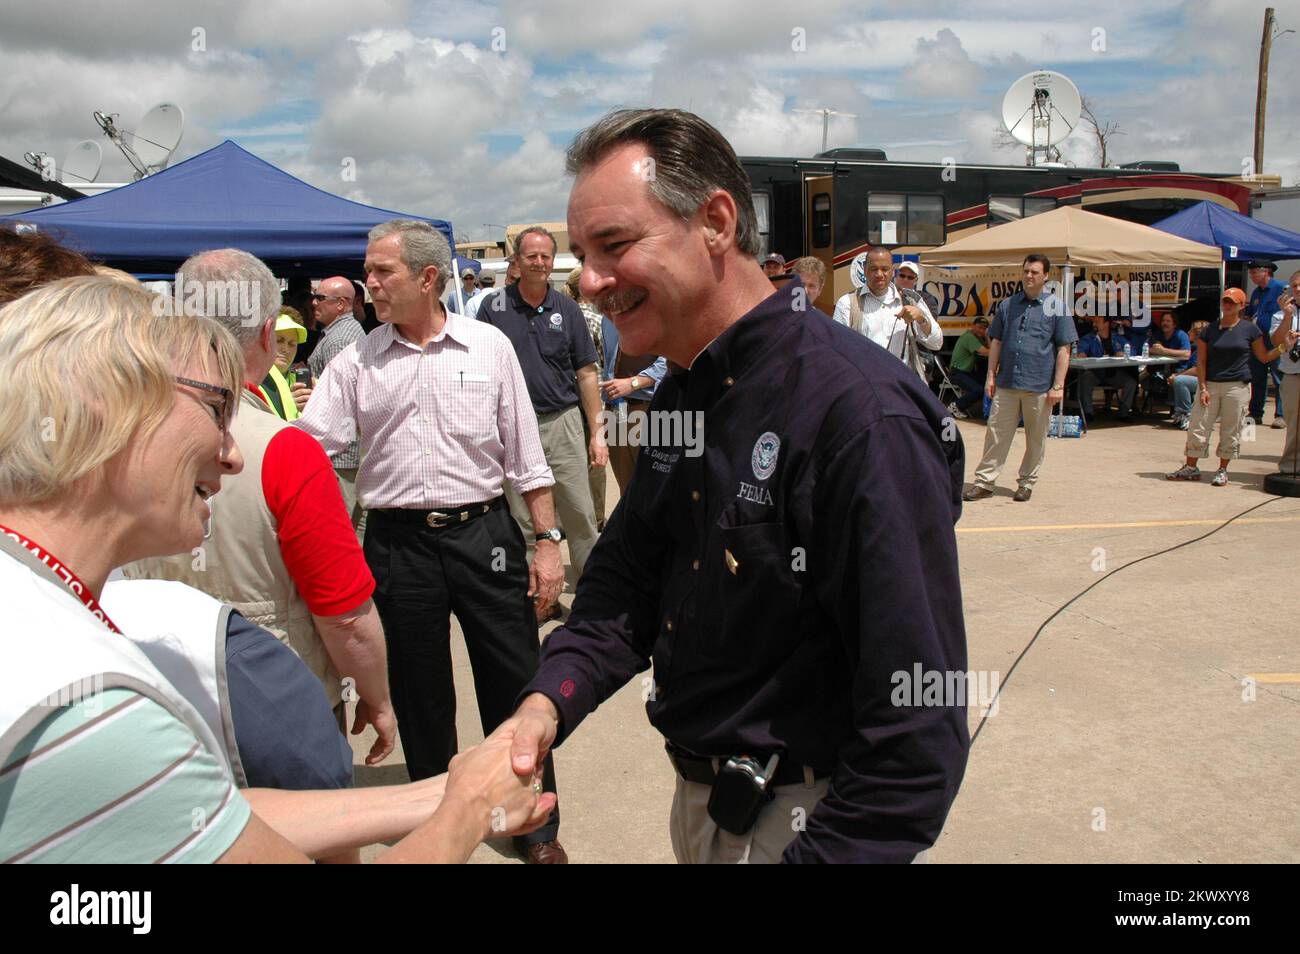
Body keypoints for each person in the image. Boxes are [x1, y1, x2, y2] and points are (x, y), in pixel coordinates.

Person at [499, 107, 968, 864]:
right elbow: (625, 586)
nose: (587, 281)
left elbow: (916, 739)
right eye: (581, 254)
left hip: (807, 826)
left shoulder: (860, 416)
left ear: (716, 221)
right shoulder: (686, 391)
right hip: (708, 810)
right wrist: (542, 705)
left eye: (614, 245)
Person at [0, 276, 553, 863]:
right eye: (217, 409)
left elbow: (210, 811)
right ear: (107, 410)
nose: (234, 450)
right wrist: (467, 811)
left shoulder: (53, 607)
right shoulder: (88, 706)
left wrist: (440, 795)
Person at [295, 218, 570, 864]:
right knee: (421, 700)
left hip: (486, 537)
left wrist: (549, 541)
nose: (370, 283)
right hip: (397, 546)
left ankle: (535, 829)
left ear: (427, 278)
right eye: (368, 272)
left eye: (381, 272)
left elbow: (527, 458)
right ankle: (440, 835)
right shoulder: (357, 357)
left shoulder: (489, 348)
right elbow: (308, 447)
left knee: (514, 685)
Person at [124, 250, 398, 774]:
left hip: (153, 695)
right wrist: (377, 696)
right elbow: (344, 613)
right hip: (277, 703)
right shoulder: (285, 449)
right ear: (269, 332)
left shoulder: (114, 426)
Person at [477, 226, 606, 582]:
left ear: (553, 261)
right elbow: (478, 371)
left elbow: (586, 373)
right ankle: (536, 593)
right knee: (522, 519)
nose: (538, 262)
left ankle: (591, 593)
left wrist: (597, 433)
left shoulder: (567, 308)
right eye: (531, 255)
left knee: (580, 513)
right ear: (516, 260)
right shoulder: (494, 307)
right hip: (513, 428)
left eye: (545, 256)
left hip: (562, 423)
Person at [963, 254, 1075, 503]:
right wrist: (990, 376)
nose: (1029, 276)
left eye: (1035, 272)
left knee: (1035, 439)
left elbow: (1064, 350)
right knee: (996, 434)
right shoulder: (1008, 305)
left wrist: (1058, 385)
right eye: (1026, 271)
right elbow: (997, 343)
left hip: (1039, 386)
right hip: (1007, 382)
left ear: (1046, 276)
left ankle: (1026, 483)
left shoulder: (1057, 307)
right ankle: (984, 482)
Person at [1167, 288, 1277, 486]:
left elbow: (1263, 357)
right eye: (1225, 301)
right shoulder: (1211, 329)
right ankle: (1191, 466)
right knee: (1198, 425)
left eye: (1232, 302)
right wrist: (1203, 387)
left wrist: (1284, 347)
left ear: (1241, 306)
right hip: (1210, 383)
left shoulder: (1250, 329)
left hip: (1236, 386)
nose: (1227, 305)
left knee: (1231, 429)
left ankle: (1222, 469)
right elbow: (1201, 361)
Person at [309, 275, 366, 529]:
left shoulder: (341, 339)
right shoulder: (338, 333)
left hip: (341, 454)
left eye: (320, 298)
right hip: (342, 449)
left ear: (341, 304)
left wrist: (314, 390)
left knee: (339, 528)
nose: (314, 303)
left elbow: (342, 397)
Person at [832, 246, 942, 375]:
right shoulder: (847, 303)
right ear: (865, 270)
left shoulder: (911, 300)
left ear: (892, 271)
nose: (879, 274)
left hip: (900, 385)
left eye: (884, 269)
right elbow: (836, 350)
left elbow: (937, 343)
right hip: (865, 385)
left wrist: (921, 318)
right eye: (874, 269)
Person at [599, 311, 668, 493]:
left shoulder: (656, 310)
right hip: (616, 410)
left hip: (648, 409)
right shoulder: (607, 319)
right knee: (627, 489)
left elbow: (669, 360)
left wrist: (634, 383)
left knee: (656, 486)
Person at [567, 265, 609, 530]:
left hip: (567, 398)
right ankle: (596, 517)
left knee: (573, 459)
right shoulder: (594, 318)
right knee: (596, 458)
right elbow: (601, 360)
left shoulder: (564, 313)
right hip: (595, 394)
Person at [1245, 260, 1287, 427]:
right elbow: (1251, 313)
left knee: (1279, 377)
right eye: (1251, 273)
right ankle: (1255, 413)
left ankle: (1281, 415)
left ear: (1267, 272)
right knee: (1257, 377)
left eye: (1255, 272)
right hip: (1258, 339)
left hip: (1275, 339)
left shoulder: (1280, 288)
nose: (1252, 276)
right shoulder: (1256, 292)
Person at [1075, 316, 1138, 421]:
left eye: (1097, 322)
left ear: (1106, 324)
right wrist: (1081, 353)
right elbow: (1080, 350)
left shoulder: (1117, 337)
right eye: (1093, 322)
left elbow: (1133, 350)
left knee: (1131, 382)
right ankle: (1088, 413)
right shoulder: (1088, 338)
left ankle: (1123, 413)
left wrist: (1124, 353)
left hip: (1113, 374)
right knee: (1085, 378)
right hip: (1096, 374)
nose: (1094, 324)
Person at [1269, 273, 1300, 474]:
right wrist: (1288, 316)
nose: (1297, 289)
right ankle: (1290, 466)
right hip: (1293, 374)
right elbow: (1275, 341)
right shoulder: (1281, 315)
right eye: (1294, 286)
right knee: (1294, 424)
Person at [259, 309, 311, 421]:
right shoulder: (256, 380)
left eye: (292, 344)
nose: (286, 349)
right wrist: (288, 403)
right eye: (279, 340)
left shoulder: (301, 382)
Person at [1145, 313, 1192, 423]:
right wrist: (1160, 351)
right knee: (1144, 377)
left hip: (1179, 369)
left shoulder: (1181, 335)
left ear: (1174, 324)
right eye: (1163, 321)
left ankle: (1177, 411)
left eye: (1168, 321)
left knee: (1175, 378)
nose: (1164, 323)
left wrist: (1164, 351)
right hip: (1159, 368)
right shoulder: (1158, 334)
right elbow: (1147, 349)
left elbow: (1186, 354)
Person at [1168, 320, 1210, 431]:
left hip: (1206, 382)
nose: (1188, 332)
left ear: (1197, 333)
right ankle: (1178, 413)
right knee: (1175, 378)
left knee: (1180, 381)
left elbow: (1196, 369)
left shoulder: (1203, 348)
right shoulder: (1196, 348)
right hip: (1199, 380)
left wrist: (1178, 375)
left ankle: (1186, 414)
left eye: (1191, 330)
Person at [947, 316, 990, 419]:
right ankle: (955, 406)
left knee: (986, 385)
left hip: (966, 372)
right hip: (957, 373)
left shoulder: (977, 338)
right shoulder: (969, 337)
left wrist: (987, 337)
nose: (981, 330)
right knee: (978, 390)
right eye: (979, 327)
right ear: (973, 326)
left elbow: (989, 350)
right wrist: (988, 336)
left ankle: (987, 411)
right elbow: (988, 352)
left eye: (984, 328)